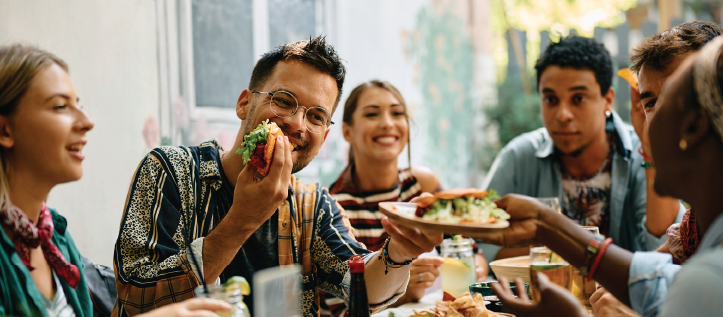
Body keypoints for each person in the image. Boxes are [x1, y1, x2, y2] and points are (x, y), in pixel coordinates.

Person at [112, 36, 443, 317]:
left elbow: (359, 286)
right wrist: (242, 219)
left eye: (316, 116)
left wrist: (398, 251)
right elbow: (135, 300)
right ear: (244, 103)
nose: (298, 124)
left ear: (324, 137)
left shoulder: (313, 206)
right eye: (285, 101)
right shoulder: (170, 170)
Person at [466, 35, 723, 317]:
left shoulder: (708, 279)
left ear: (694, 125)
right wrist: (545, 224)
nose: (644, 128)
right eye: (649, 103)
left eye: (667, 102)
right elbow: (652, 279)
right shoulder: (693, 234)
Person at [0, 44, 230, 317]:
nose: (87, 121)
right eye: (61, 106)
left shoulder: (56, 238)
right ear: (5, 130)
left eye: (80, 105)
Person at [482, 36, 685, 261]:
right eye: (550, 99)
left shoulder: (641, 154)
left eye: (578, 99)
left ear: (607, 99)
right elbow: (483, 245)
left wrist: (651, 152)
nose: (562, 115)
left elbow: (663, 251)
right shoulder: (519, 157)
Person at [318, 80, 488, 315]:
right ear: (347, 131)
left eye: (397, 113)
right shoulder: (331, 206)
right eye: (372, 114)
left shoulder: (422, 186)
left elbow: (470, 251)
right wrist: (402, 289)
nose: (387, 123)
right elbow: (342, 310)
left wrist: (472, 271)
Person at [589, 21, 723, 317]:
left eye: (677, 95)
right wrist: (547, 226)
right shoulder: (697, 226)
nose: (655, 124)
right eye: (650, 103)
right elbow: (646, 271)